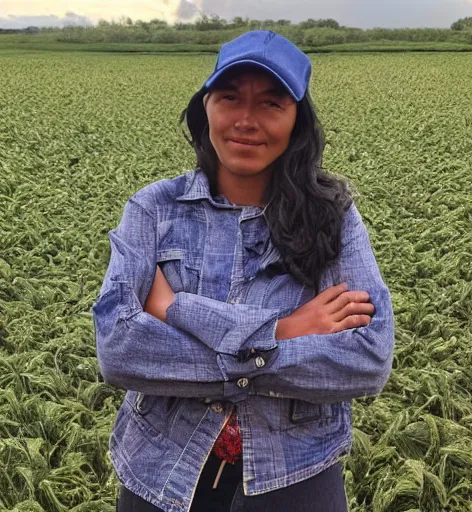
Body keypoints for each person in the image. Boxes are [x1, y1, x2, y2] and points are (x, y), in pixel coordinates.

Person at [93, 30, 394, 512]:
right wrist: (285, 330)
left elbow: (367, 358)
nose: (246, 121)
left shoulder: (332, 215)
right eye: (230, 97)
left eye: (271, 104)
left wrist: (176, 311)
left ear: (298, 121)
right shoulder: (155, 210)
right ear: (205, 107)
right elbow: (119, 349)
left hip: (296, 471)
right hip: (161, 469)